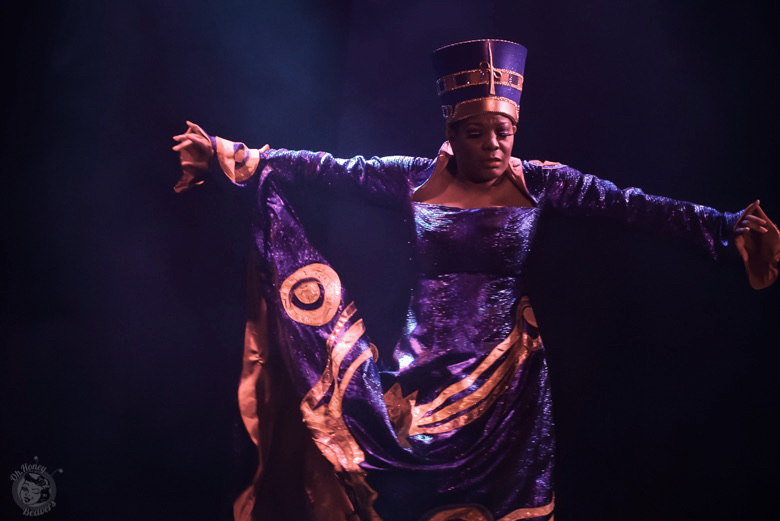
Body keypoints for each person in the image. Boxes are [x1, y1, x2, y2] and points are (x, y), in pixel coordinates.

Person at [172, 39, 778, 521]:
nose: (493, 145)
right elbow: (325, 168)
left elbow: (634, 207)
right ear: (452, 131)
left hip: (507, 377)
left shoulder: (541, 183)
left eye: (504, 131)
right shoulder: (413, 179)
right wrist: (234, 155)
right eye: (476, 133)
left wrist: (725, 228)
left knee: (500, 502)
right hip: (422, 369)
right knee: (399, 487)